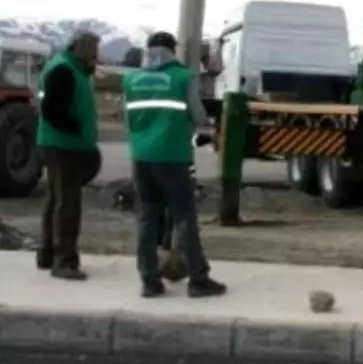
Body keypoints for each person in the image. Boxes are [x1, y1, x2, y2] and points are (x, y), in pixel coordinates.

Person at [122, 31, 226, 298]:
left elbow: (128, 118)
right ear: (173, 49)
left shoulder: (131, 79)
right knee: (184, 217)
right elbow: (200, 115)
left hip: (141, 156)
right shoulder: (181, 77)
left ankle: (149, 280)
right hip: (172, 157)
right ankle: (198, 279)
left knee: (147, 218)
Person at [35, 31, 102, 280]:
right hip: (64, 146)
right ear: (79, 47)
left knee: (55, 199)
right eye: (93, 48)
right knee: (68, 203)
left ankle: (47, 253)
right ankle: (64, 260)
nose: (97, 54)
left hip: (61, 143)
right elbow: (51, 108)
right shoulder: (63, 70)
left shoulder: (72, 68)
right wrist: (77, 130)